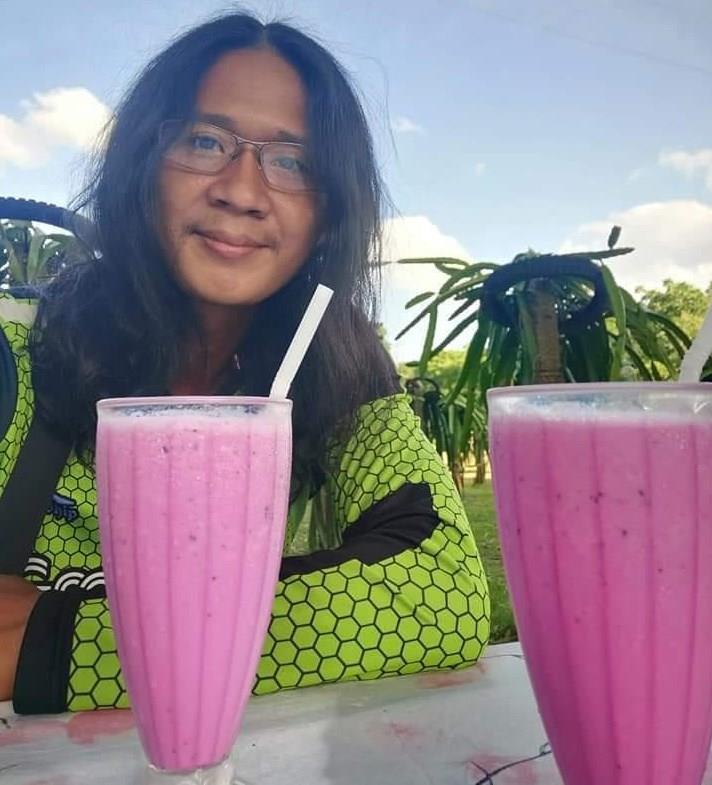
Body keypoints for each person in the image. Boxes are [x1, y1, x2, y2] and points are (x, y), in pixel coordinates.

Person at [0, 11, 490, 714]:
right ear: (142, 163)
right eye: (204, 141)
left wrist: (53, 643)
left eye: (292, 162)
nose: (242, 190)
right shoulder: (15, 351)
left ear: (329, 212)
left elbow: (442, 593)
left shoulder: (334, 367)